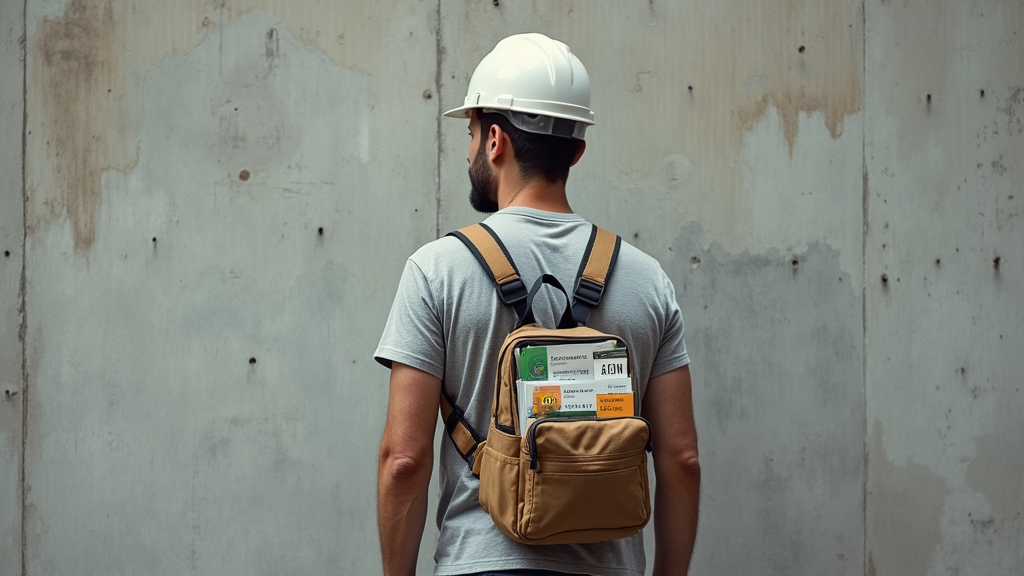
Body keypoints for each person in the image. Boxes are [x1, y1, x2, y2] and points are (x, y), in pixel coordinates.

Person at [375, 33, 700, 576]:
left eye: (473, 133)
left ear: (496, 140)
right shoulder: (647, 281)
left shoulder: (437, 271)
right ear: (576, 150)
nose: (469, 149)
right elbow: (682, 461)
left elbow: (404, 462)